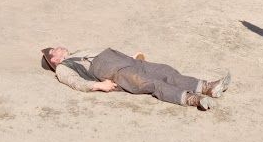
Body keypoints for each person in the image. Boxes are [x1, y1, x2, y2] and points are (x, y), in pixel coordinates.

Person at [41, 46, 230, 111]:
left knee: (165, 70)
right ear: (54, 58)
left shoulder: (78, 51)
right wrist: (99, 86)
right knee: (153, 83)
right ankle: (192, 98)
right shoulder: (63, 68)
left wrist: (130, 57)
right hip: (112, 72)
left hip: (122, 60)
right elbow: (77, 83)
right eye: (55, 49)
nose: (59, 47)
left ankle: (206, 87)